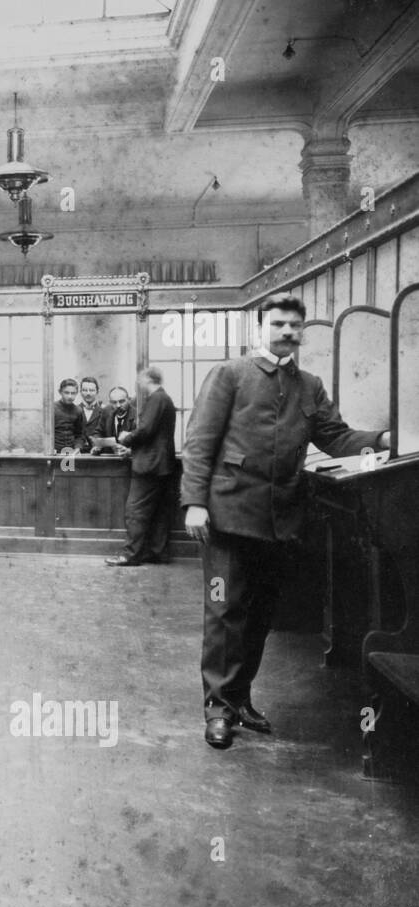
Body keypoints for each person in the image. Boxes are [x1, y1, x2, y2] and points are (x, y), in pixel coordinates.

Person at [181, 293, 391, 750]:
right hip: (227, 515)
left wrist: (385, 437)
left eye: (295, 327)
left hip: (280, 522)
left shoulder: (309, 385)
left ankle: (239, 699)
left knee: (259, 615)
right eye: (279, 325)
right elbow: (199, 443)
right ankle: (217, 708)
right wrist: (194, 502)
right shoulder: (230, 375)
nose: (288, 333)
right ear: (262, 328)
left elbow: (336, 437)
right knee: (224, 612)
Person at [105, 368, 176, 567]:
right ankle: (157, 553)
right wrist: (132, 450)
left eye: (141, 381)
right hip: (162, 465)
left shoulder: (156, 399)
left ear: (148, 380)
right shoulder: (165, 399)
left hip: (149, 466)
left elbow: (146, 430)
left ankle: (130, 555)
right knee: (159, 512)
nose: (140, 385)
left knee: (135, 510)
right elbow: (155, 436)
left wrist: (126, 439)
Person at [94, 386, 136, 454]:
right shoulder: (106, 411)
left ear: (128, 399)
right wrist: (96, 445)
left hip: (128, 459)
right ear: (110, 402)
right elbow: (98, 432)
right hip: (109, 458)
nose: (118, 405)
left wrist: (129, 450)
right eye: (114, 402)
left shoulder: (136, 415)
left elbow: (142, 442)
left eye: (121, 401)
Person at [53, 378, 84, 454]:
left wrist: (77, 448)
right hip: (54, 452)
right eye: (66, 393)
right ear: (60, 392)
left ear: (77, 393)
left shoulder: (78, 411)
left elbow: (79, 434)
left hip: (71, 452)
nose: (70, 396)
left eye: (73, 393)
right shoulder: (52, 409)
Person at [78, 377, 106, 453]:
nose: (88, 393)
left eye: (91, 390)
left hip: (99, 453)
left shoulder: (104, 410)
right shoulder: (75, 410)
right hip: (78, 453)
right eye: (85, 390)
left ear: (97, 391)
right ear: (80, 392)